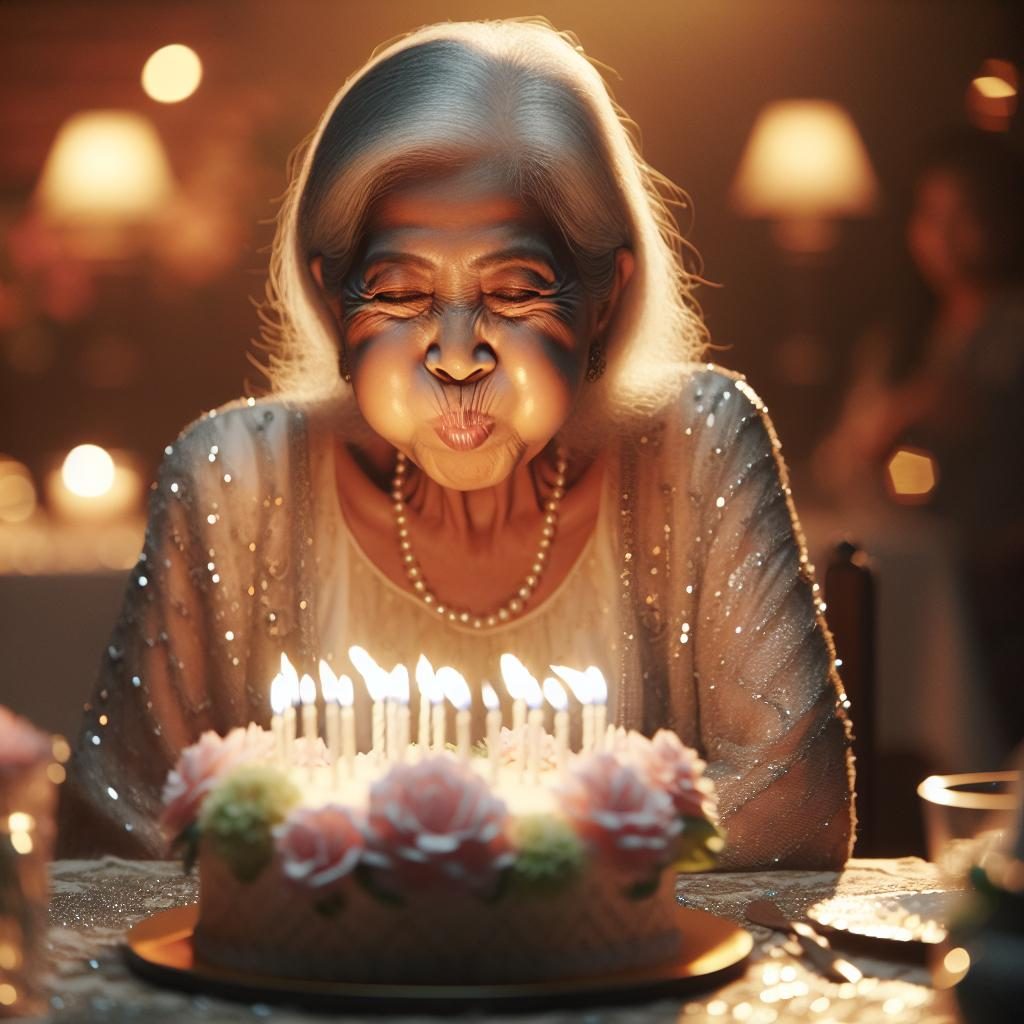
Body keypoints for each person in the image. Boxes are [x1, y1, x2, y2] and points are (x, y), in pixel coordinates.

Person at [58, 18, 855, 868]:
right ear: (333, 301)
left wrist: (460, 888)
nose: (458, 353)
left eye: (515, 291)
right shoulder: (234, 480)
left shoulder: (694, 445)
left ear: (605, 300)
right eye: (400, 294)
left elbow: (793, 807)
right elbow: (114, 830)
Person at [816, 128, 1024, 753]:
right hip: (906, 554)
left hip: (991, 574)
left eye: (968, 216)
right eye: (933, 216)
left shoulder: (1010, 335)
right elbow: (840, 457)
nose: (948, 237)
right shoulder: (903, 337)